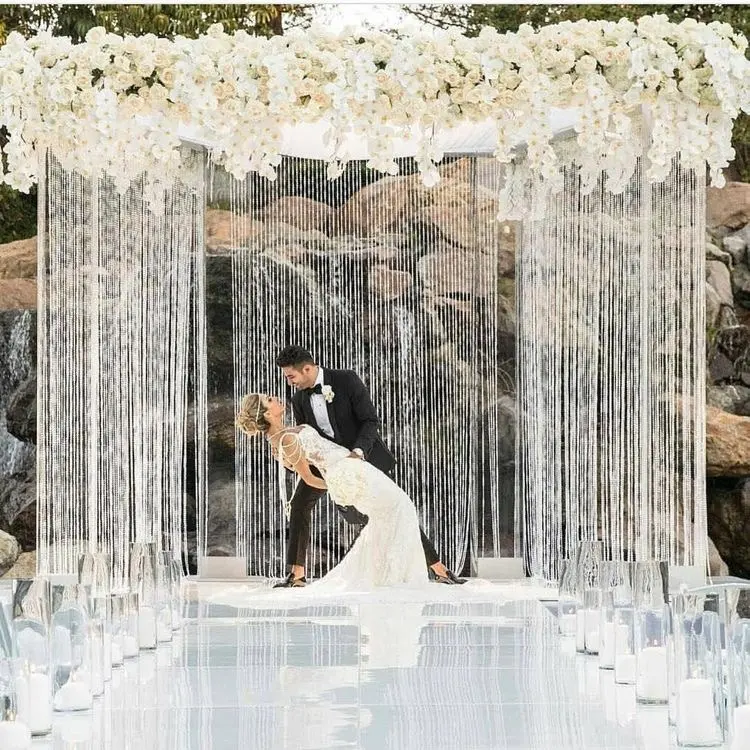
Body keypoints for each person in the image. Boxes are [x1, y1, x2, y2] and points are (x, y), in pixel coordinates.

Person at [270, 344, 465, 587]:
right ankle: (296, 575)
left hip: (360, 458)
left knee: (393, 509)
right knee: (299, 504)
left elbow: (369, 420)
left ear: (307, 368)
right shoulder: (299, 398)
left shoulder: (346, 380)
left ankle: (438, 569)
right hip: (327, 463)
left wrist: (358, 452)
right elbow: (305, 439)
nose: (290, 382)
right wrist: (297, 464)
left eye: (291, 376)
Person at [237, 393, 427, 589]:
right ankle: (394, 575)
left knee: (390, 513)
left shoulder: (281, 436)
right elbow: (308, 477)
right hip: (350, 474)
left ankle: (385, 574)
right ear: (268, 414)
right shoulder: (285, 441)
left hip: (352, 467)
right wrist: (340, 485)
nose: (275, 398)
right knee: (401, 507)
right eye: (269, 399)